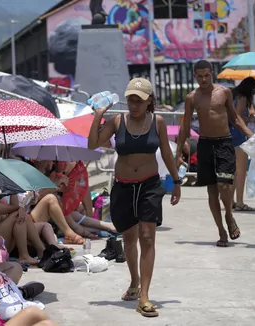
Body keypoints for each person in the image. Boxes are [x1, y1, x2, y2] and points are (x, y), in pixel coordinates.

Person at [88, 77, 181, 317]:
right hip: (123, 186)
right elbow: (91, 144)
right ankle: (134, 281)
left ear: (149, 100)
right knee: (129, 239)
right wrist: (98, 115)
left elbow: (167, 154)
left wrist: (176, 180)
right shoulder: (117, 121)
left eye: (139, 100)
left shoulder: (157, 122)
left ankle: (144, 296)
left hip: (150, 185)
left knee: (148, 237)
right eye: (130, 99)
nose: (134, 104)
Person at [177, 60, 253, 248]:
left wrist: (251, 135)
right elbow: (185, 125)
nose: (203, 79)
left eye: (206, 75)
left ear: (212, 73)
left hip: (224, 143)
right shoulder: (192, 98)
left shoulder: (224, 92)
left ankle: (228, 213)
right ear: (195, 76)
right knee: (211, 190)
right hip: (205, 145)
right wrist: (178, 152)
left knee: (224, 185)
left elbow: (234, 117)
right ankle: (221, 230)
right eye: (199, 76)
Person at [229, 77, 255, 212]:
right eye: (254, 91)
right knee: (241, 172)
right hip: (239, 136)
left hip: (231, 136)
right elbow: (239, 116)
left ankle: (231, 201)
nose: (254, 93)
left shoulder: (235, 95)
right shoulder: (242, 98)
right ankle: (240, 202)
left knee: (235, 172)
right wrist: (248, 119)